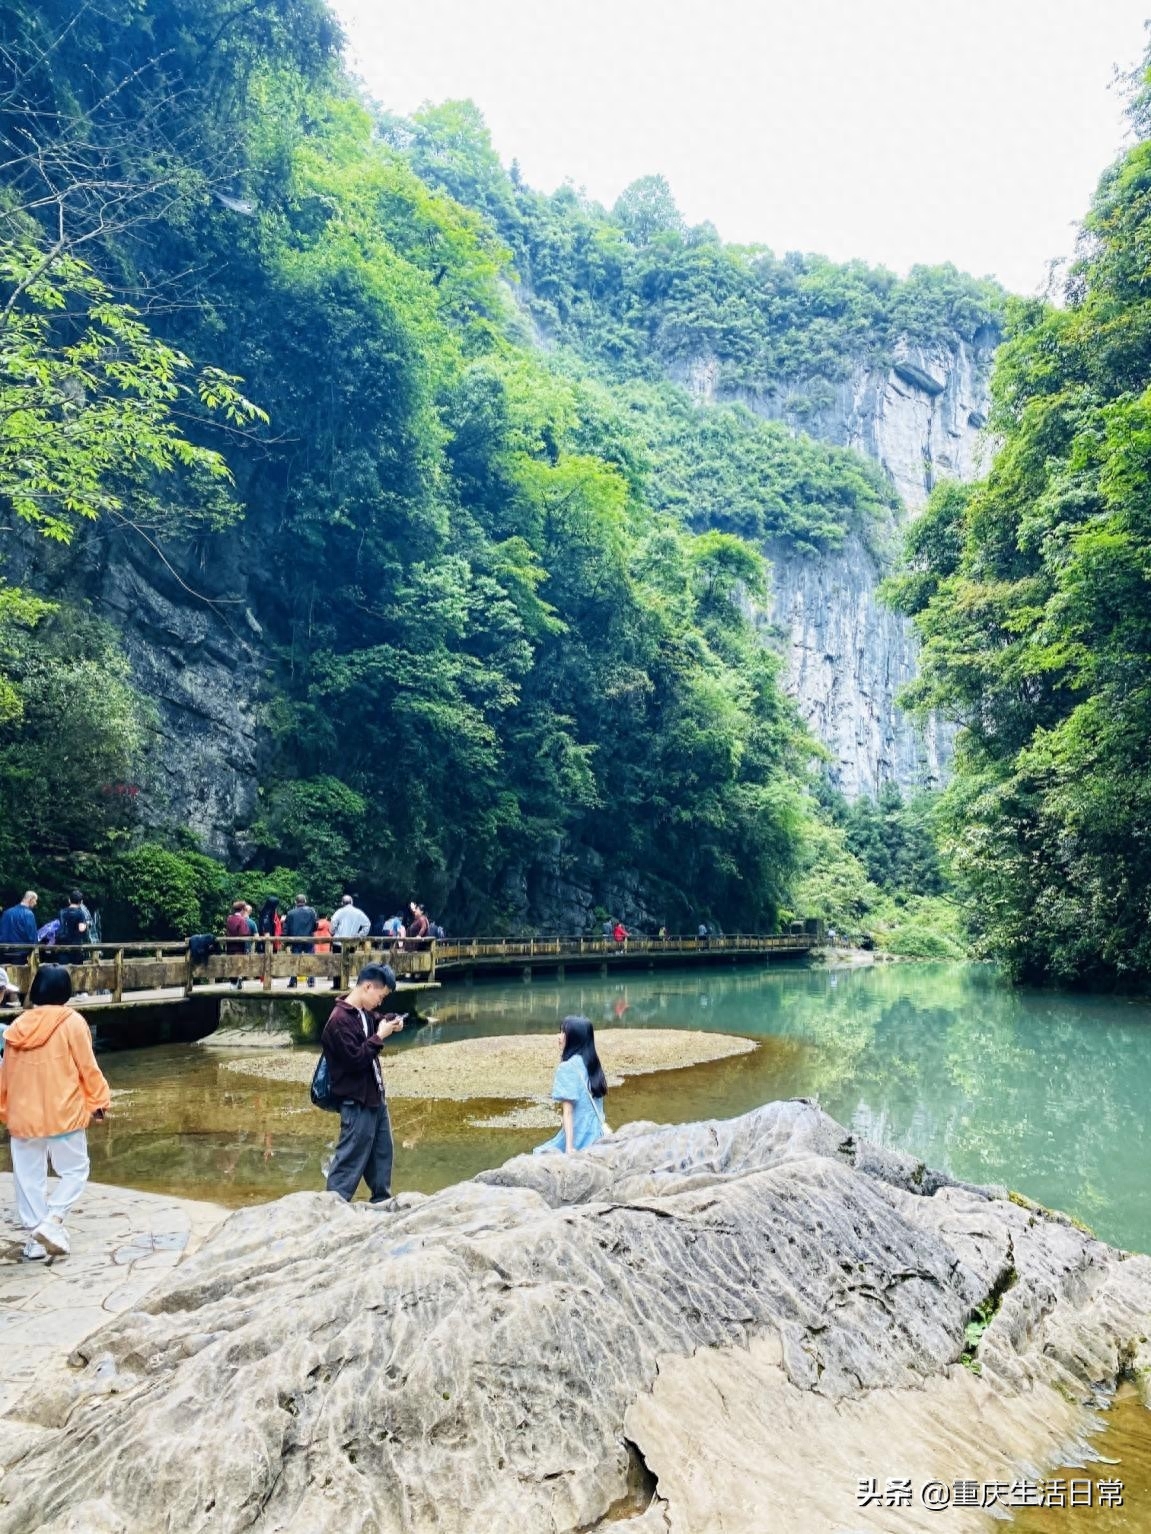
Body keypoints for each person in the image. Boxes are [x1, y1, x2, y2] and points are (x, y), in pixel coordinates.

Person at [0, 964, 110, 1260]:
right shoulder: (72, 1022)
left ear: (35, 991)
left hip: (23, 1117)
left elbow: (5, 1077)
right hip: (63, 1114)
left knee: (28, 1178)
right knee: (75, 1170)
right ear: (66, 992)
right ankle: (52, 1220)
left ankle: (36, 1240)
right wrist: (98, 1101)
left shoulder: (16, 1028)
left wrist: (4, 1110)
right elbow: (87, 1067)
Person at [321, 963, 403, 1202]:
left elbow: (376, 1018)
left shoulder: (362, 1013)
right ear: (367, 987)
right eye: (381, 995)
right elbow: (356, 1060)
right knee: (349, 1159)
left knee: (382, 1155)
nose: (380, 1002)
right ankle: (332, 1206)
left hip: (375, 1097)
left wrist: (391, 1021)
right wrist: (380, 1037)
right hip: (355, 1101)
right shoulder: (338, 1021)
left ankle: (382, 1201)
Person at [534, 1016, 609, 1156]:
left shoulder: (567, 1068)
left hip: (579, 1134)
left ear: (574, 1039)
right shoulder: (592, 1064)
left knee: (539, 1154)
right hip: (597, 1132)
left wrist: (569, 1148)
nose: (559, 1037)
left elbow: (567, 1112)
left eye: (563, 1033)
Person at [282, 894, 317, 989]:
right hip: (309, 939)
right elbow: (315, 925)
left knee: (295, 961)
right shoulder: (311, 912)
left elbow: (286, 928)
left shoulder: (290, 913)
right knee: (310, 960)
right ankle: (311, 981)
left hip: (296, 940)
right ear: (305, 901)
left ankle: (293, 981)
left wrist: (286, 942)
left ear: (295, 902)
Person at [0, 892, 38, 963]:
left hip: (3, 952)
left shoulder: (7, 912)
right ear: (31, 899)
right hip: (21, 954)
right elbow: (32, 937)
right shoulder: (28, 914)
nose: (35, 903)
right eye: (35, 900)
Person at [56, 892, 90, 969]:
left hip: (61, 945)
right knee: (77, 970)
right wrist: (87, 925)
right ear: (81, 902)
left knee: (62, 969)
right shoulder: (80, 913)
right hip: (75, 946)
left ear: (69, 900)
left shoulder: (61, 912)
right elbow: (81, 929)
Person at [225, 900, 249, 989]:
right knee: (237, 967)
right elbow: (244, 933)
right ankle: (235, 986)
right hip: (238, 948)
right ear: (242, 909)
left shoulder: (229, 919)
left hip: (230, 947)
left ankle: (232, 986)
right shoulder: (241, 920)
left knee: (231, 968)